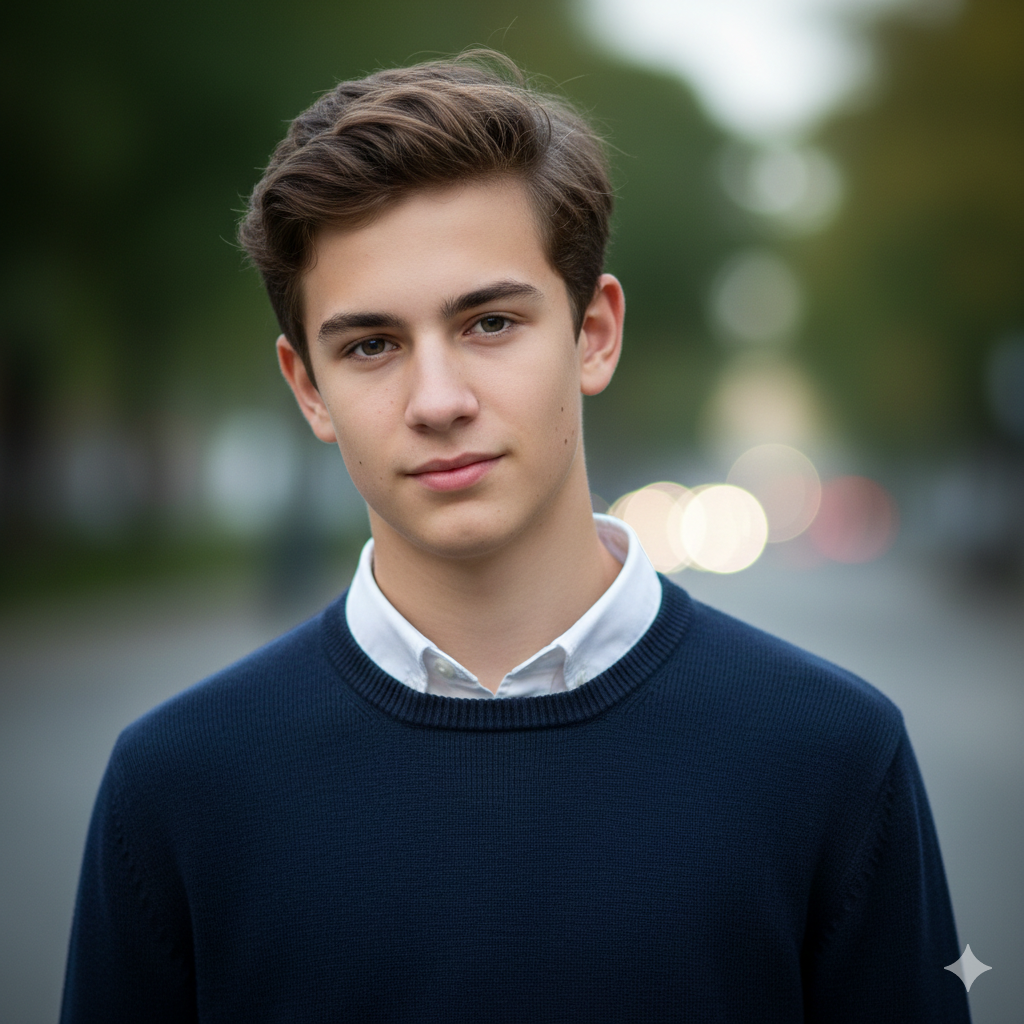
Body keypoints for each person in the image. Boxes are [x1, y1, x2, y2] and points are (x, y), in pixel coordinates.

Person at [61, 51, 971, 1022]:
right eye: (370, 345)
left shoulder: (830, 755)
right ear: (306, 387)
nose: (439, 400)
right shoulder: (179, 787)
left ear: (593, 333)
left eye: (489, 322)